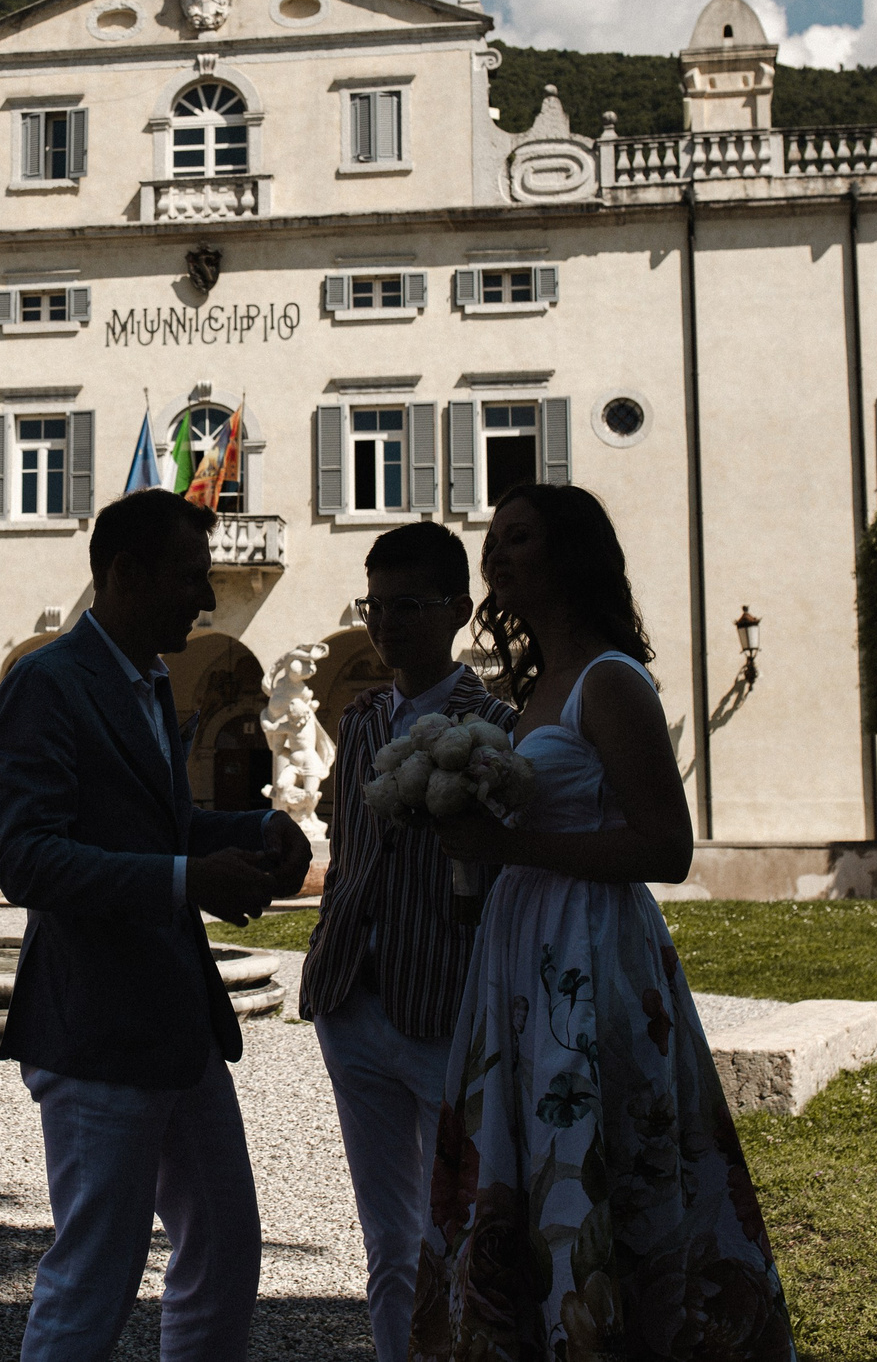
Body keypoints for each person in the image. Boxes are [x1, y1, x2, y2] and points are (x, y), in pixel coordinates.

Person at [411, 484, 793, 1361]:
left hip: (588, 948)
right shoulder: (539, 686)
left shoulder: (610, 680)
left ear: (571, 554)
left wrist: (515, 845)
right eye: (492, 541)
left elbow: (667, 845)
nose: (497, 556)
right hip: (520, 947)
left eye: (520, 538)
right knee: (522, 1150)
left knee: (600, 1152)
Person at [0, 488, 314, 1362]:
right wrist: (186, 878)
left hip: (174, 1019)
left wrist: (251, 828)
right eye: (187, 577)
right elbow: (26, 860)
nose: (204, 600)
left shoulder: (145, 678)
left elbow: (156, 829)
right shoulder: (47, 681)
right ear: (124, 573)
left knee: (225, 1245)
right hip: (96, 1022)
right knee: (96, 1270)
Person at [297, 521, 519, 1362]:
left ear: (460, 610)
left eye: (409, 607)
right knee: (386, 1233)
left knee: (460, 1226)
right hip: (350, 1001)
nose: (386, 625)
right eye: (375, 605)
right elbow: (350, 851)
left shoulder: (497, 726)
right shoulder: (358, 722)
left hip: (447, 1005)